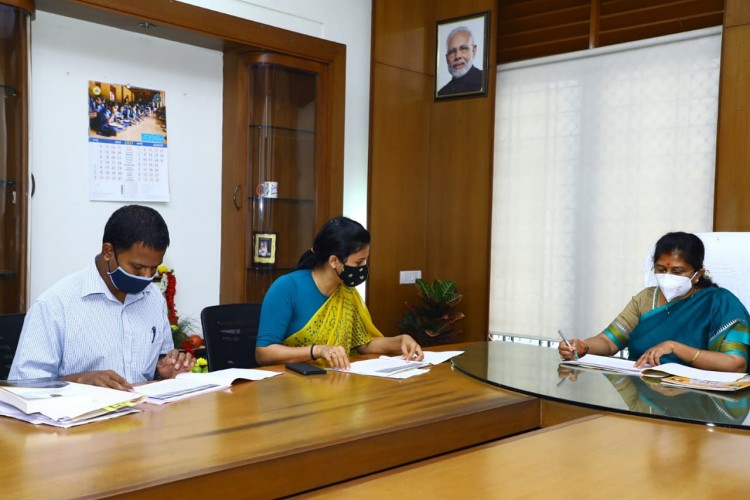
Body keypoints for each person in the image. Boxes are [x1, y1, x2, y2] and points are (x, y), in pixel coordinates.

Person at [9, 205, 194, 390]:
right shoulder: (55, 305)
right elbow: (24, 386)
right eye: (137, 268)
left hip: (143, 414)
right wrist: (80, 381)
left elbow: (157, 366)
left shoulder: (153, 298)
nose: (146, 277)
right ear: (108, 252)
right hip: (81, 415)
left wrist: (164, 372)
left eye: (153, 269)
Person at [559, 232, 750, 372]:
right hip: (643, 393)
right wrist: (583, 346)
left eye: (677, 272)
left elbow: (736, 363)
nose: (667, 277)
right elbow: (609, 341)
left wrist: (675, 348)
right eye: (661, 269)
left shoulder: (720, 303)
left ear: (698, 274)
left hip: (700, 400)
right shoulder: (646, 299)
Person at [255, 216, 423, 369]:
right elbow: (264, 353)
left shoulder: (347, 292)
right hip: (292, 386)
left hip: (337, 381)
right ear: (334, 261)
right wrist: (317, 351)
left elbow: (364, 344)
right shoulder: (287, 287)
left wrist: (399, 341)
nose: (363, 268)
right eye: (359, 263)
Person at [437, 26, 484, 97]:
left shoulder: (485, 81)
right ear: (447, 58)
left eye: (463, 48)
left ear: (473, 51)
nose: (457, 56)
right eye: (452, 51)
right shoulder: (442, 94)